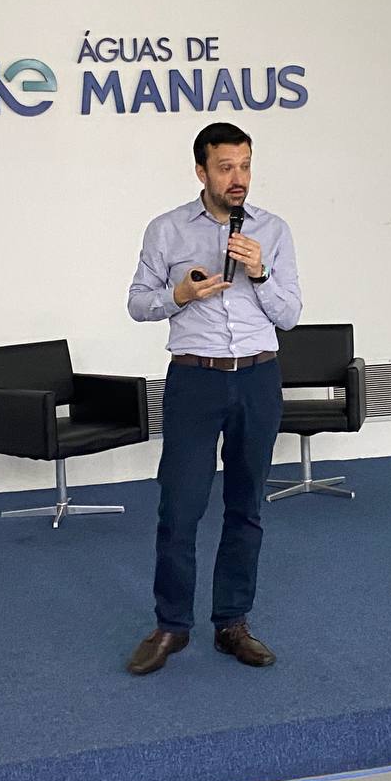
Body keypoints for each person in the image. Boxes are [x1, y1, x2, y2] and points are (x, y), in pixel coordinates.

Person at [125, 121, 302, 675]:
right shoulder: (166, 230)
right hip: (195, 380)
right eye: (225, 167)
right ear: (201, 171)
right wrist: (179, 294)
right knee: (179, 508)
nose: (237, 178)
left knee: (246, 506)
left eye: (245, 166)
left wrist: (260, 271)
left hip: (257, 378)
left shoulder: (273, 230)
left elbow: (290, 316)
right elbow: (137, 303)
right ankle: (171, 626)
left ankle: (232, 623)